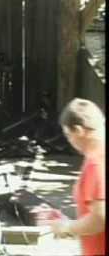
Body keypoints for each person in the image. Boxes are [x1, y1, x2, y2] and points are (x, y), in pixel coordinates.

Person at [49, 98, 105, 256]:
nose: (70, 141)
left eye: (68, 136)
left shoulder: (96, 163)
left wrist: (67, 227)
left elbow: (99, 219)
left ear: (79, 130)